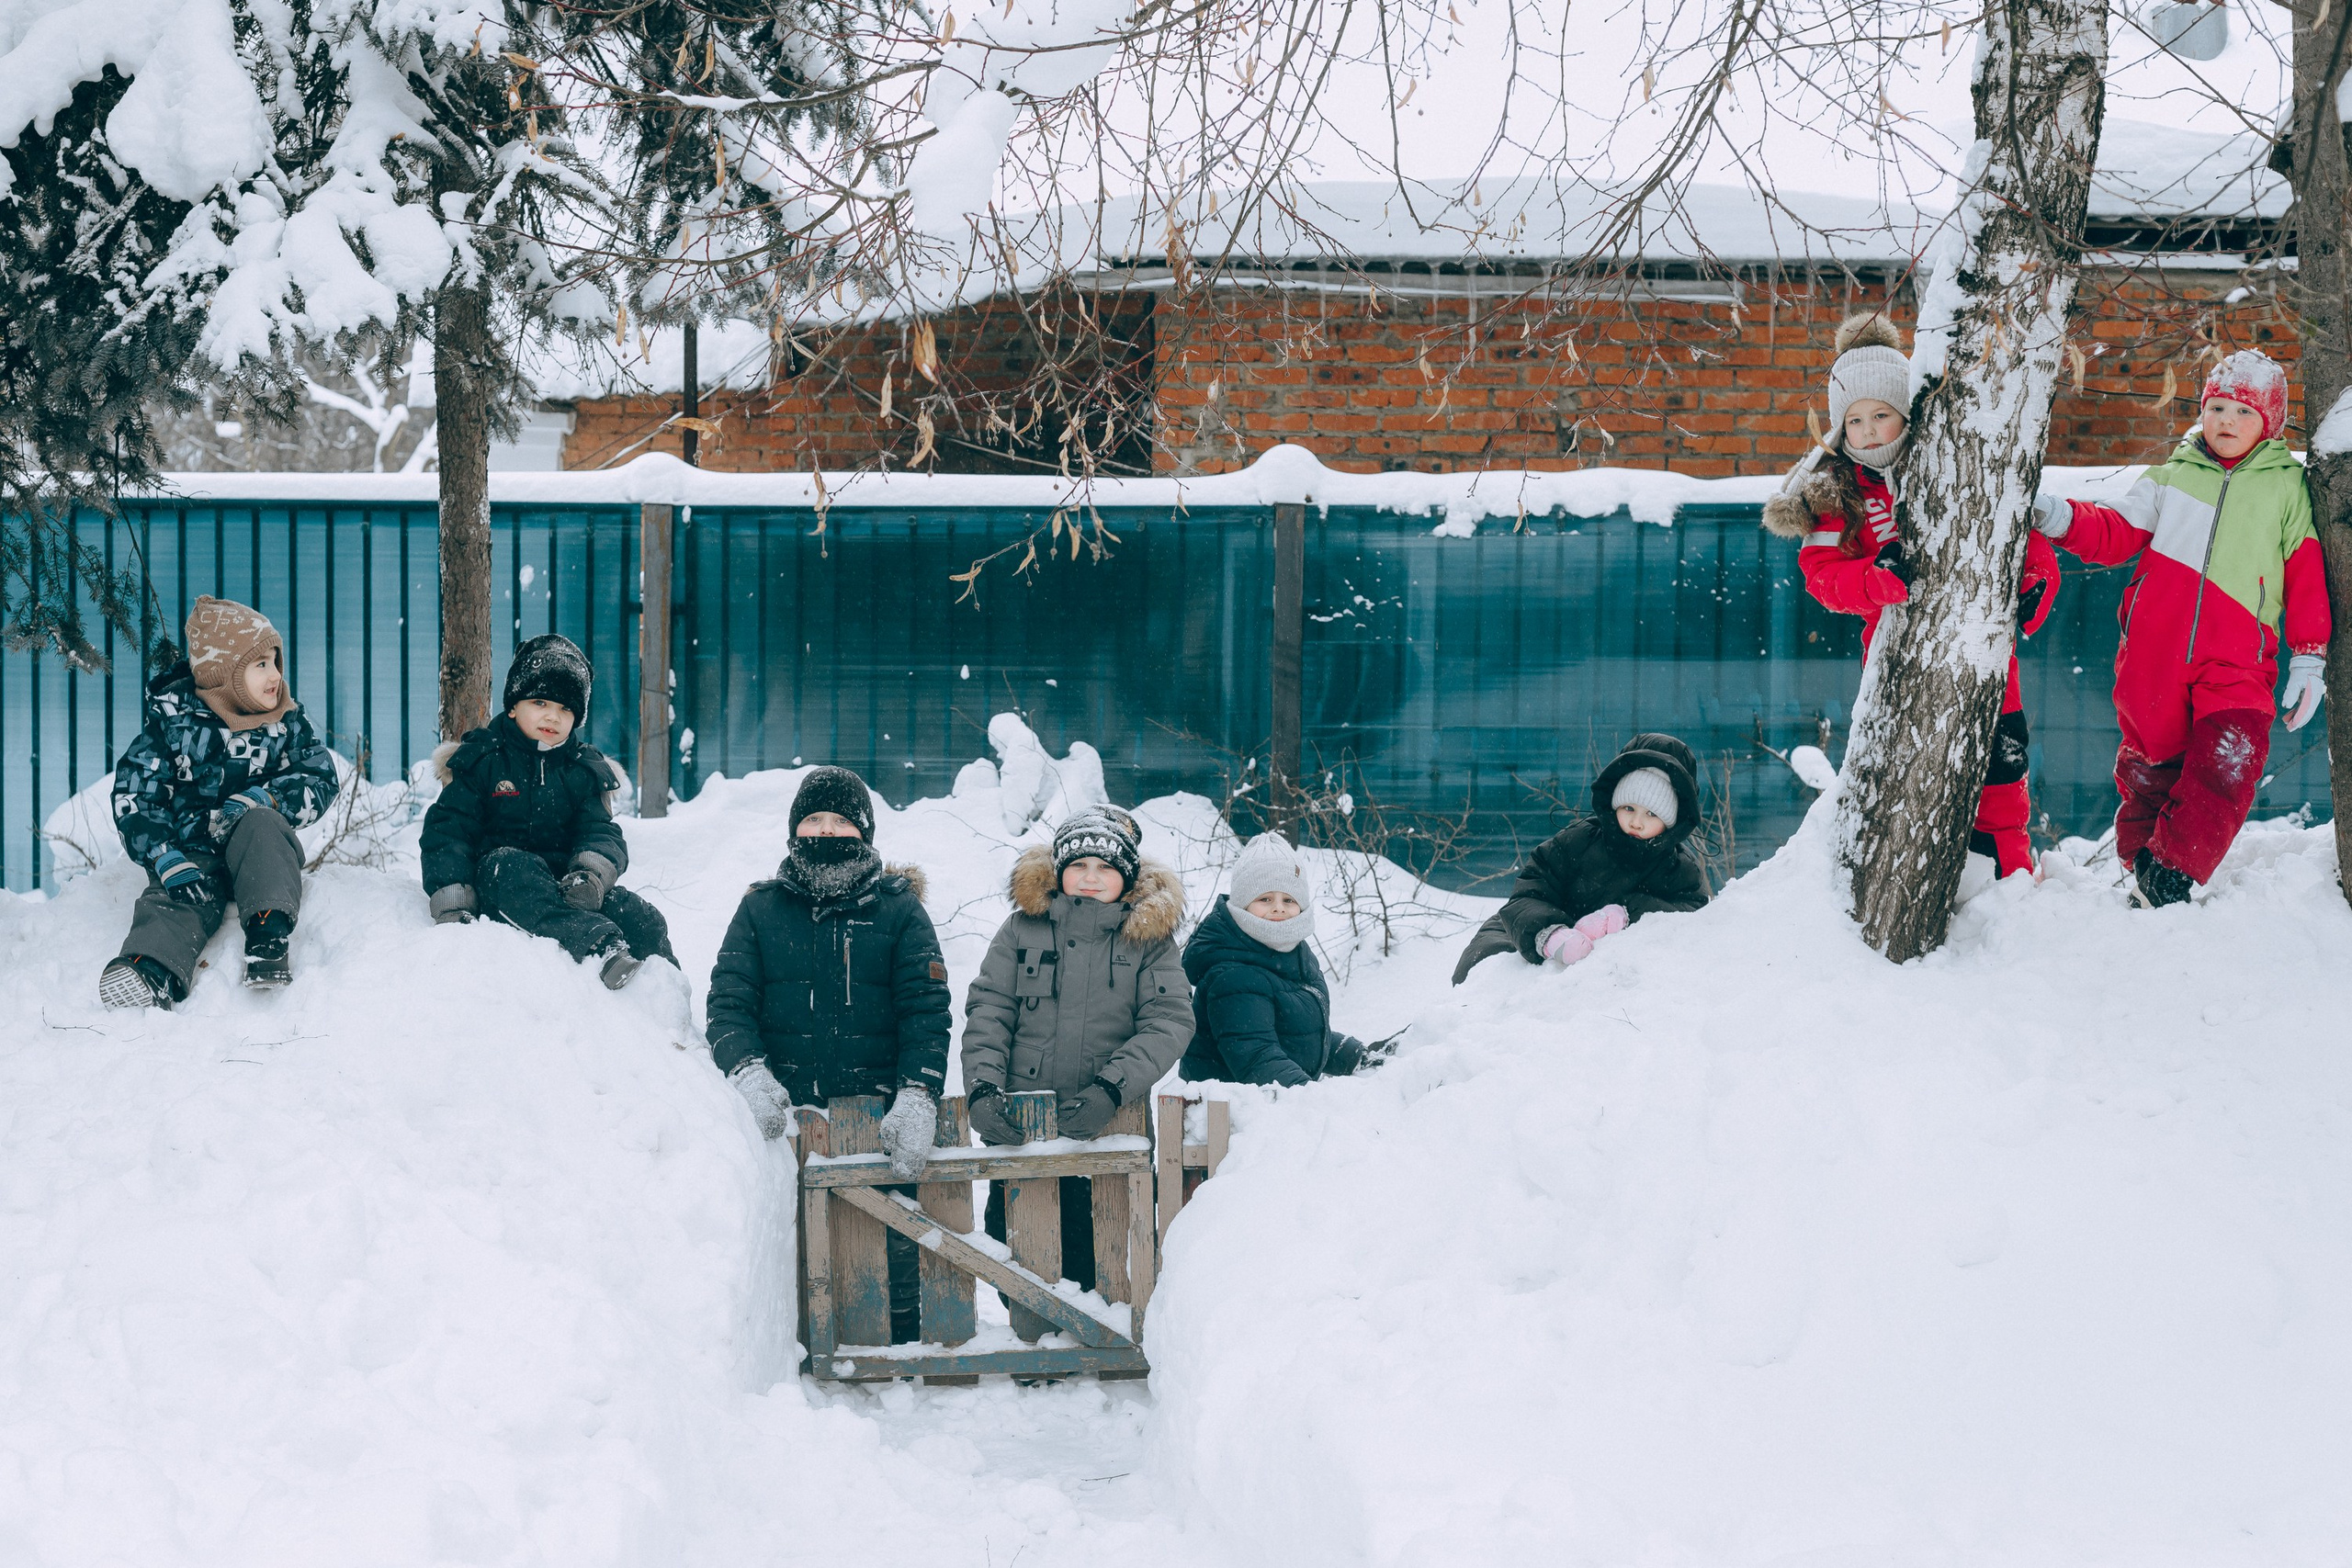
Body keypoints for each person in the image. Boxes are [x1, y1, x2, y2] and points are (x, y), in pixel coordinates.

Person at [1762, 311, 2062, 881]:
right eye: (1855, 421)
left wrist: (2033, 585)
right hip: (1898, 664)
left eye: (1881, 414)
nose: (1870, 430)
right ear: (1839, 429)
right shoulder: (1836, 496)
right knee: (1914, 785)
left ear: (1906, 412)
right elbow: (1822, 575)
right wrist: (1874, 579)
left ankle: (2009, 884)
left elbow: (2021, 540)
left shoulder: (1956, 465)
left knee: (2000, 776)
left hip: (1985, 659)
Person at [2030, 349, 2330, 907]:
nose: (2226, 421)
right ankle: (2141, 867)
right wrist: (2060, 516)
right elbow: (2115, 531)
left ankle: (2172, 870)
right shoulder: (2171, 477)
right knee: (2151, 768)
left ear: (2269, 422)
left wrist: (2309, 654)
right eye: (2216, 408)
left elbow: (2307, 571)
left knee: (2231, 759)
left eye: (2243, 411)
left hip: (2238, 659)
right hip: (2154, 654)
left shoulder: (2287, 487)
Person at [706, 765, 951, 1341]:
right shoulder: (761, 908)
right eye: (813, 819)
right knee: (791, 1251)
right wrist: (747, 1071)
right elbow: (729, 1003)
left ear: (864, 831)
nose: (825, 830)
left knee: (892, 1244)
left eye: (840, 820)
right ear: (794, 828)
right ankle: (793, 1354)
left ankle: (899, 1350)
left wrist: (919, 1092)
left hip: (876, 1118)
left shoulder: (898, 909)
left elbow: (926, 1008)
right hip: (789, 1121)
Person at [960, 807, 1190, 1292]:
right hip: (1024, 1124)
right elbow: (990, 1011)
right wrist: (982, 1089)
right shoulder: (1022, 929)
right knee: (1015, 1249)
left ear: (1126, 877)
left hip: (1108, 1124)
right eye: (1078, 865)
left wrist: (1111, 1088)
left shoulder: (1149, 941)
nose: (1090, 878)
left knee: (1103, 1255)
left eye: (1105, 867)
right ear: (1058, 870)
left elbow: (1168, 1021)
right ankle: (1032, 1332)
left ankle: (1092, 1333)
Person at [100, 596, 341, 1007]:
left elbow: (320, 775)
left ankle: (267, 934)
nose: (275, 675)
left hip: (257, 852)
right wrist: (163, 855)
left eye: (275, 661)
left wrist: (269, 796)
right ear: (224, 674)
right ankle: (151, 967)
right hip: (192, 856)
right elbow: (136, 793)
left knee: (263, 825)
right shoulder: (173, 725)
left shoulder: (285, 722)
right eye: (260, 664)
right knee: (174, 903)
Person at [419, 634, 673, 987]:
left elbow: (599, 831)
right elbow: (449, 831)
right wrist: (453, 899)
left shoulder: (583, 769)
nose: (553, 716)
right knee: (508, 866)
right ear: (513, 706)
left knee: (640, 915)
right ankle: (599, 947)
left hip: (566, 889)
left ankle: (664, 991)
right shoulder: (484, 760)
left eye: (566, 708)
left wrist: (590, 877)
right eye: (540, 702)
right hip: (503, 886)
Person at [1451, 733, 1711, 985]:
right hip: (1531, 930)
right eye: (1629, 808)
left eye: (1651, 814)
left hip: (1610, 963)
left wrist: (1626, 912)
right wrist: (1550, 934)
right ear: (1615, 804)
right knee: (1482, 972)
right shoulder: (1577, 841)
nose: (1636, 822)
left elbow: (1690, 917)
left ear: (1671, 822)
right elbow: (1529, 892)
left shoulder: (1678, 869)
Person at [1181, 830, 1391, 1084]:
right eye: (1265, 898)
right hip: (1227, 1106)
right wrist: (1312, 1095)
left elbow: (1297, 1034)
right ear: (1242, 905)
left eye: (1289, 899)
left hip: (1275, 1098)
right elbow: (1258, 1057)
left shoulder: (1293, 954)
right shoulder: (1232, 975)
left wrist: (1354, 1056)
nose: (1279, 908)